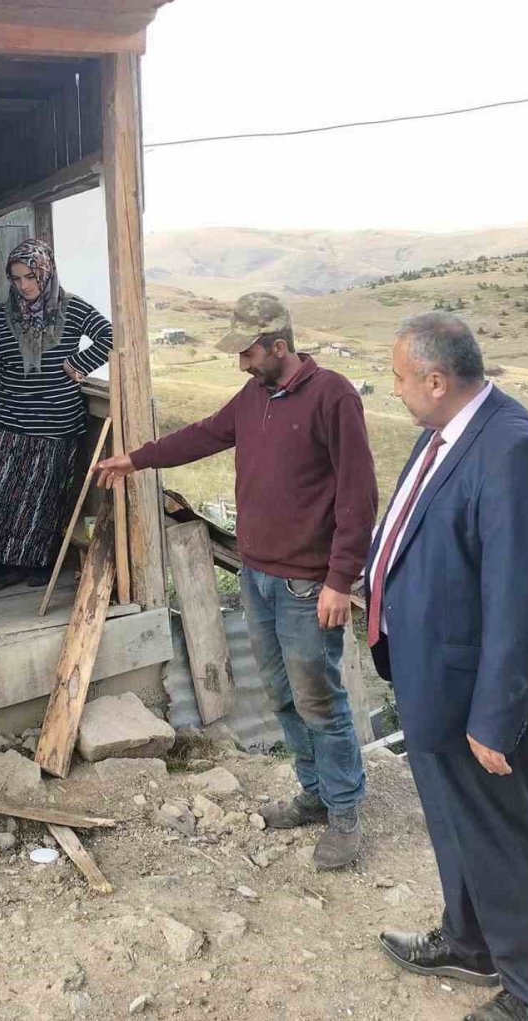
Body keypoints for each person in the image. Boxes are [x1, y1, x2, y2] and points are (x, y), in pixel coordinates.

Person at [370, 314, 528, 1020]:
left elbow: (521, 598)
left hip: (489, 698)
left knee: (507, 837)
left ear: (436, 379)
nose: (392, 389)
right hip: (439, 681)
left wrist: (495, 719)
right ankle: (471, 941)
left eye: (397, 377)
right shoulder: (444, 434)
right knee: (459, 825)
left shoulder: (514, 450)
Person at [97, 292, 378, 869]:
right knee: (281, 694)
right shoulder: (254, 396)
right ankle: (315, 796)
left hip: (306, 584)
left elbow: (358, 495)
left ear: (279, 346)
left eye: (248, 352)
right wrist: (136, 459)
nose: (242, 363)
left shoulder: (334, 396)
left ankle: (345, 810)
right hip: (258, 577)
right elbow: (201, 435)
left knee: (318, 699)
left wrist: (339, 580)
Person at [0, 239, 112, 594]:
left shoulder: (74, 308)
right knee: (4, 493)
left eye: (30, 276)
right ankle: (5, 567)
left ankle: (39, 564)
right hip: (10, 418)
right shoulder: (6, 314)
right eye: (17, 278)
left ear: (46, 271)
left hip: (56, 420)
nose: (24, 285)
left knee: (44, 496)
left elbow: (110, 337)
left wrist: (77, 365)